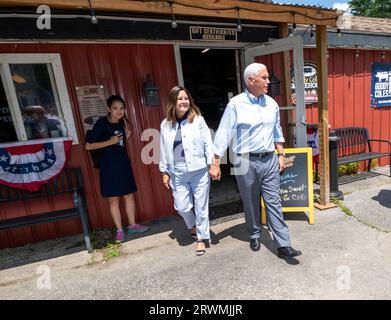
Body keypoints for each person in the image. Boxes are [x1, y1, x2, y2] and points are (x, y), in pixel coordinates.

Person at [210, 63, 301, 259]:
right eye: (265, 78)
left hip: (269, 159)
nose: (269, 81)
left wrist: (281, 155)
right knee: (250, 202)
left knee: (274, 202)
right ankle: (254, 233)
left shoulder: (272, 104)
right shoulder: (235, 104)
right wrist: (215, 161)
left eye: (267, 78)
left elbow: (277, 131)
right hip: (244, 161)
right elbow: (224, 133)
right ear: (251, 80)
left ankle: (283, 244)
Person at [85, 95, 149, 242]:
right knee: (113, 200)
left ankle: (132, 225)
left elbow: (119, 145)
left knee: (129, 196)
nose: (119, 111)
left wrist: (128, 136)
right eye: (115, 108)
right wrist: (110, 141)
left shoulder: (121, 123)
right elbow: (88, 145)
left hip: (122, 164)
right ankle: (119, 230)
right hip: (108, 167)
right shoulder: (101, 124)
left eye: (121, 108)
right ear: (108, 109)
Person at [159, 86, 214, 256]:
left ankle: (200, 238)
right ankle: (193, 226)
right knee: (181, 206)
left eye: (186, 98)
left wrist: (212, 164)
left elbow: (208, 144)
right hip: (178, 172)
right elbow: (163, 149)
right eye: (180, 99)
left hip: (199, 170)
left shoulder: (198, 120)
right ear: (173, 102)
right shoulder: (165, 124)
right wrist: (164, 172)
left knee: (200, 206)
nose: (184, 101)